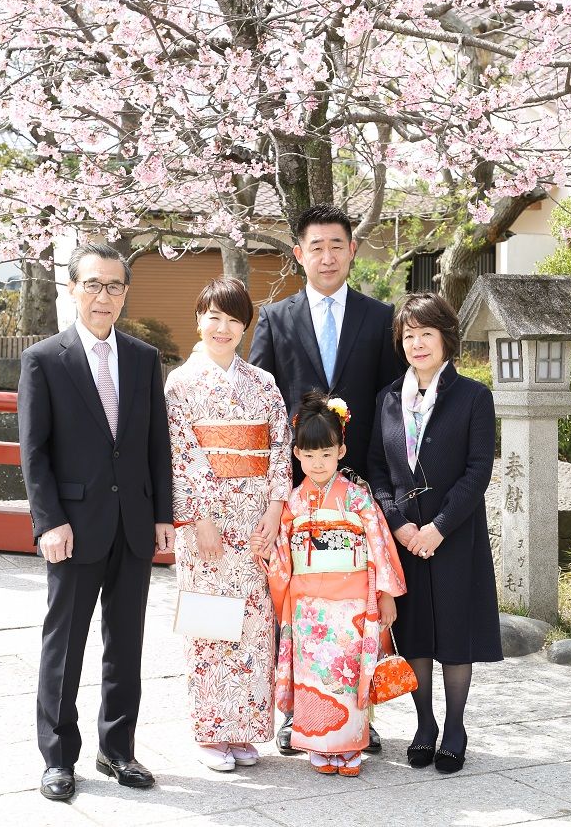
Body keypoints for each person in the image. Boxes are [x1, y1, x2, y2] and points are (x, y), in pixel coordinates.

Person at [18, 242, 174, 802]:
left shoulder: (143, 358)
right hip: (74, 527)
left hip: (133, 522)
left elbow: (158, 442)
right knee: (65, 644)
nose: (103, 296)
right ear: (71, 288)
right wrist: (48, 522)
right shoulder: (44, 359)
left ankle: (119, 748)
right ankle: (58, 757)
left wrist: (163, 515)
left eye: (113, 286)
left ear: (125, 294)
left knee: (125, 642)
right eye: (92, 284)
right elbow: (33, 451)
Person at [249, 202, 404, 754]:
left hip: (356, 484)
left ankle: (358, 711)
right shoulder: (277, 318)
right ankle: (299, 713)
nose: (327, 255)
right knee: (300, 604)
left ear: (352, 250)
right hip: (298, 484)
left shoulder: (379, 316)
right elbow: (263, 402)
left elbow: (389, 402)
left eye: (337, 245)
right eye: (315, 246)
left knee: (354, 604)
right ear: (299, 254)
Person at [367, 292, 503, 774]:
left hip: (455, 537)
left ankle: (456, 726)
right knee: (416, 632)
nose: (418, 343)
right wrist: (400, 525)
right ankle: (424, 724)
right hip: (404, 539)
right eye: (409, 335)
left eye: (427, 333)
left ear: (447, 338)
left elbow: (478, 469)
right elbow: (377, 470)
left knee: (454, 633)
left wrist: (438, 527)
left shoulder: (473, 396)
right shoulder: (386, 399)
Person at [165, 277, 292, 773]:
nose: (223, 328)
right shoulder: (180, 383)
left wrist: (275, 510)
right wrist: (199, 518)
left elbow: (280, 446)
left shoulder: (262, 383)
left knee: (255, 628)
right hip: (207, 524)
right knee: (209, 625)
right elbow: (181, 454)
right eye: (213, 317)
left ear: (245, 326)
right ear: (198, 318)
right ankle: (210, 730)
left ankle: (244, 728)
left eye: (234, 319)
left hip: (256, 520)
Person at [264, 392, 406, 777]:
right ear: (296, 454)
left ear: (341, 450)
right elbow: (282, 555)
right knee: (314, 673)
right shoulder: (294, 502)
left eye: (326, 454)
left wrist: (386, 595)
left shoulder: (358, 498)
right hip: (309, 604)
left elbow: (378, 545)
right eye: (309, 456)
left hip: (353, 602)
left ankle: (351, 744)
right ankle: (319, 745)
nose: (318, 463)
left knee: (347, 669)